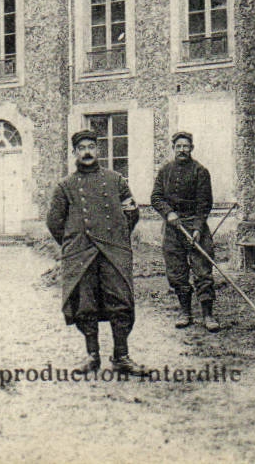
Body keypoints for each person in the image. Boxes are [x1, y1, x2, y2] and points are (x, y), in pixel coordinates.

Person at [46, 130, 145, 375]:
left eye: (91, 146)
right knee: (85, 305)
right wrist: (74, 243)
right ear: (74, 153)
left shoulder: (116, 181)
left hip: (112, 252)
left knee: (120, 302)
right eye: (82, 148)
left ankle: (121, 356)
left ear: (98, 150)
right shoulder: (66, 186)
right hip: (82, 253)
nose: (87, 152)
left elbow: (132, 212)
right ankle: (92, 356)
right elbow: (54, 222)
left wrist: (116, 238)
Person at [150, 131, 218, 331]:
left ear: (191, 148)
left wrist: (197, 228)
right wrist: (168, 213)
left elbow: (205, 203)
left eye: (185, 146)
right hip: (173, 228)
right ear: (173, 148)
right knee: (177, 272)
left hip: (196, 226)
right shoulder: (165, 171)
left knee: (203, 271)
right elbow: (156, 197)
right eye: (178, 146)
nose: (182, 150)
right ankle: (185, 312)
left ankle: (208, 315)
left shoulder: (200, 171)